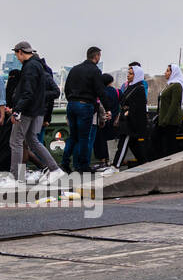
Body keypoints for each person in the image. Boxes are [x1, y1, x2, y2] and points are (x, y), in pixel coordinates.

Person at [3, 41, 63, 186]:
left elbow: (27, 92)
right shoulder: (38, 66)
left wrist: (17, 110)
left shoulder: (30, 67)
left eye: (17, 54)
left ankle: (15, 178)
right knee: (32, 140)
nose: (17, 58)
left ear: (21, 52)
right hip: (37, 110)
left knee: (15, 141)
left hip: (27, 110)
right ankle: (55, 170)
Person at [63, 45, 106, 175]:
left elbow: (66, 89)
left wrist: (72, 99)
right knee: (83, 138)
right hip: (85, 106)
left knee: (72, 137)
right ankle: (82, 166)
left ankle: (65, 164)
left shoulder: (74, 69)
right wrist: (107, 108)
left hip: (71, 105)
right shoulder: (95, 71)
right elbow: (100, 91)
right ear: (96, 56)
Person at [112, 62, 150, 168]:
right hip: (126, 120)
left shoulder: (140, 88)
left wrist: (128, 112)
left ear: (137, 75)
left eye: (131, 74)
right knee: (134, 144)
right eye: (128, 73)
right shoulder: (131, 87)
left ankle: (115, 166)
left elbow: (139, 106)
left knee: (123, 144)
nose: (128, 75)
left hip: (131, 122)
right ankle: (145, 163)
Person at [152, 63, 183, 158]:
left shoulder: (177, 85)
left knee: (169, 142)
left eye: (167, 71)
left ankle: (170, 161)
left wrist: (166, 119)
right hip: (163, 119)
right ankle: (161, 159)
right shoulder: (169, 85)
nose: (165, 73)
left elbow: (174, 104)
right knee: (156, 138)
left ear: (173, 72)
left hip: (171, 120)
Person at [94, 73, 118, 170]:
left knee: (100, 141)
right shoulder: (117, 92)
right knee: (110, 140)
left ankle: (102, 161)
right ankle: (110, 160)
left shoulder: (100, 92)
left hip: (102, 119)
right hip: (112, 120)